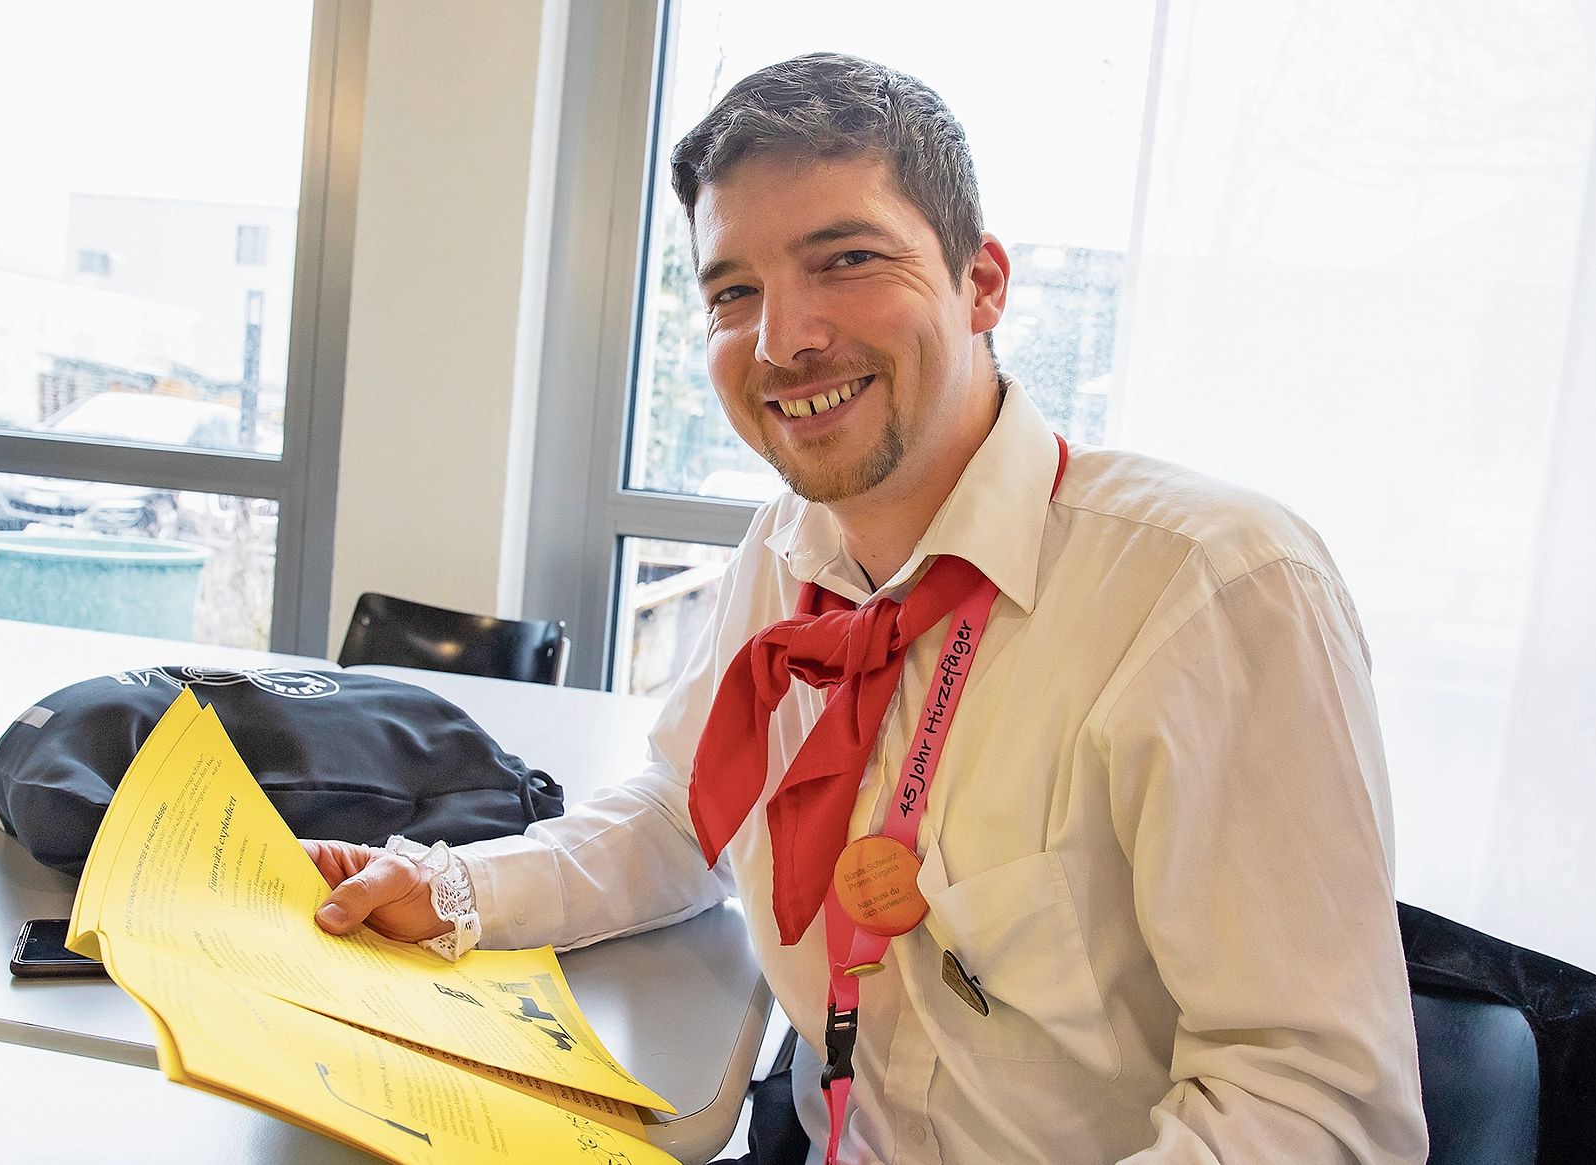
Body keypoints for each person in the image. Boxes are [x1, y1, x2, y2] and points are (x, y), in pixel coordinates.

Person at [301, 52, 1429, 1164]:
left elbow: (1316, 1109)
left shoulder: (1212, 589)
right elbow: (687, 809)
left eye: (845, 259)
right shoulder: (787, 542)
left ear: (981, 282)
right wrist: (454, 887)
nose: (783, 340)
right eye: (733, 290)